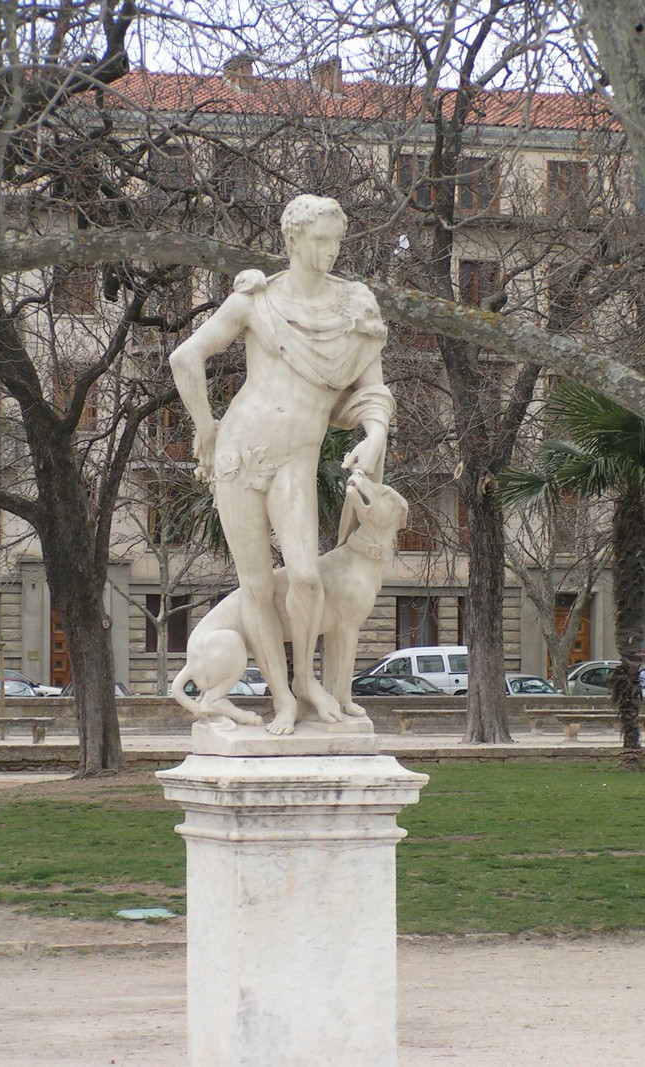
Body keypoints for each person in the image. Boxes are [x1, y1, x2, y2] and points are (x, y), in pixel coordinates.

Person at [169, 195, 393, 734]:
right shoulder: (256, 299)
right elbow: (185, 357)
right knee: (254, 586)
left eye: (336, 240)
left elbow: (374, 389)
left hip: (297, 457)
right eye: (319, 240)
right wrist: (206, 428)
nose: (329, 251)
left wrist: (375, 434)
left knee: (307, 578)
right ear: (292, 241)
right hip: (238, 451)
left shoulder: (356, 307)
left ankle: (304, 683)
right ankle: (283, 700)